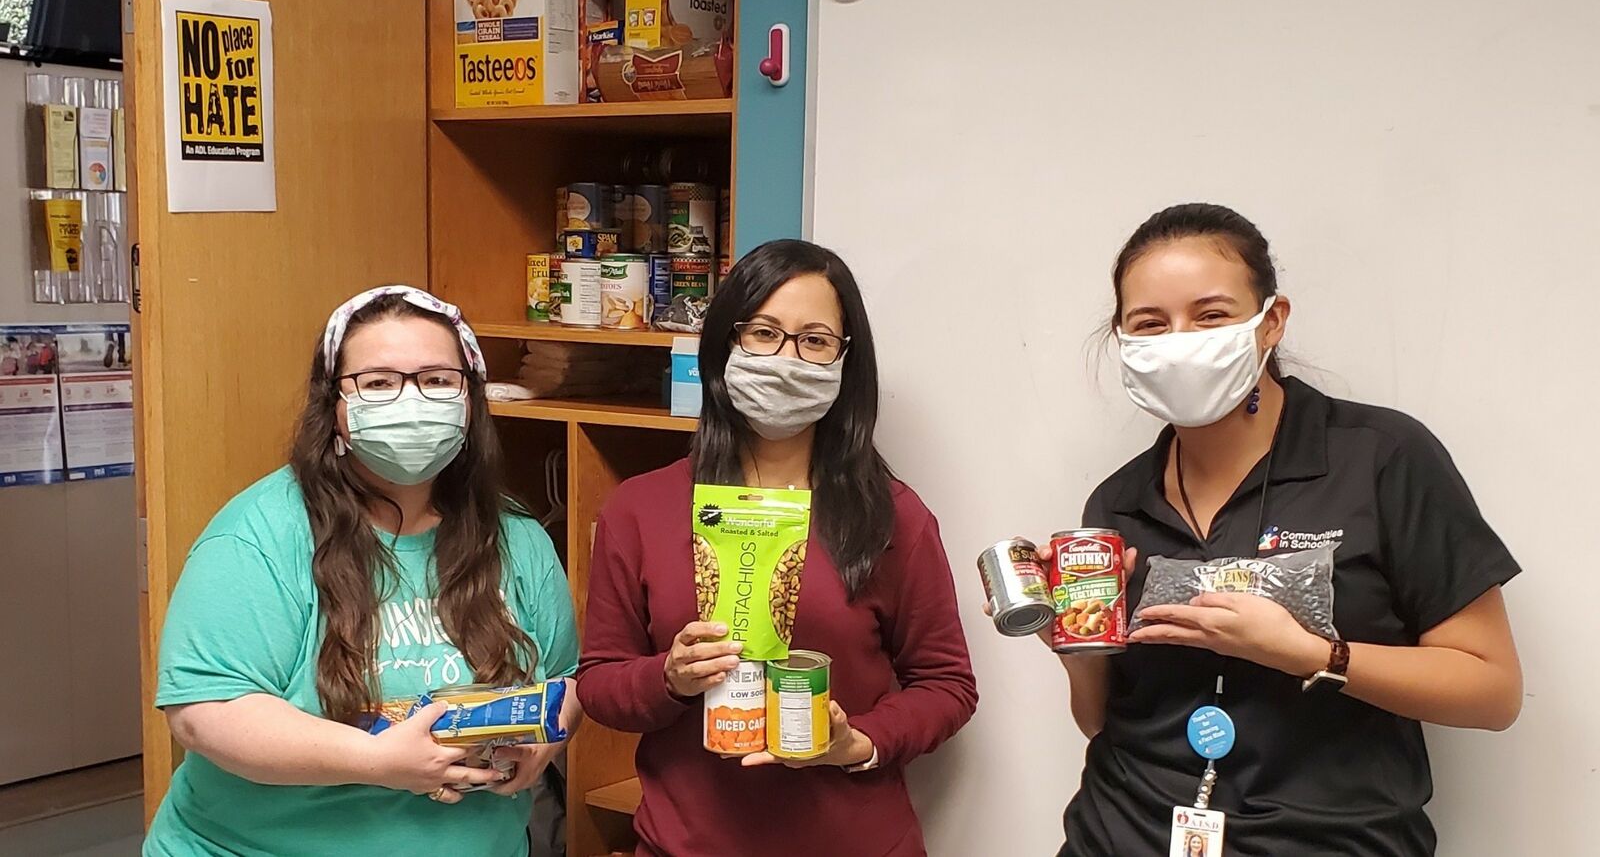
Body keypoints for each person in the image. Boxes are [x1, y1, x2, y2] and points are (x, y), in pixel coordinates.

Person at [1042, 204, 1522, 857]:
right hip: (1121, 834)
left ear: (1271, 321)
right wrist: (1076, 644)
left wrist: (1313, 655)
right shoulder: (1118, 502)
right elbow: (1099, 721)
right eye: (1149, 324)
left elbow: (1492, 692)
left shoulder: (1380, 457)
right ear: (1124, 341)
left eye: (1210, 315)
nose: (1179, 340)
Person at [144, 286, 580, 857]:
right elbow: (207, 713)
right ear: (334, 408)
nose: (411, 401)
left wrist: (541, 747)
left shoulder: (517, 537)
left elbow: (566, 680)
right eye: (377, 383)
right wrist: (379, 763)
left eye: (437, 380)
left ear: (470, 401)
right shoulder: (258, 536)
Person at [578, 240, 979, 857]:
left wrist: (860, 743)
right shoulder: (641, 508)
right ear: (726, 345)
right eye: (764, 333)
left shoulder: (893, 515)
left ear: (845, 363)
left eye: (814, 340)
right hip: (686, 843)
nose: (786, 359)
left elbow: (947, 684)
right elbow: (600, 683)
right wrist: (670, 677)